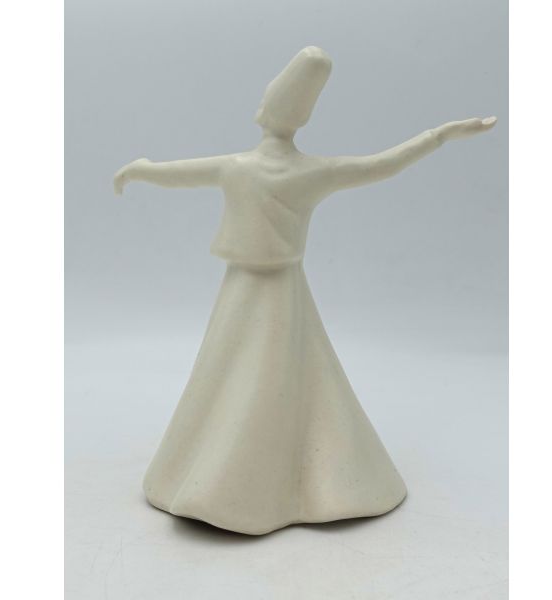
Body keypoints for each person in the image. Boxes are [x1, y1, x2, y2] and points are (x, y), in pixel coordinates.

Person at [114, 46, 497, 535]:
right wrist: (440, 135)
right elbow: (383, 164)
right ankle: (256, 476)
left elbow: (174, 174)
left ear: (262, 109)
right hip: (266, 286)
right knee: (258, 370)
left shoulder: (238, 166)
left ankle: (237, 480)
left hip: (256, 286)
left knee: (247, 371)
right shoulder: (308, 171)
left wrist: (141, 168)